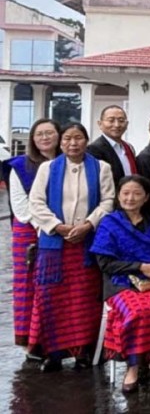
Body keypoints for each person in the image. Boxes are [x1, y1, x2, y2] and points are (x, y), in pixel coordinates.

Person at [28, 123, 115, 370]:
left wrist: (88, 224)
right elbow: (36, 202)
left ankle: (82, 352)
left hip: (87, 243)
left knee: (84, 300)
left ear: (86, 141)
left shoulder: (101, 168)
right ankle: (52, 353)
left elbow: (108, 201)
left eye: (78, 138)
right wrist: (57, 226)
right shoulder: (47, 168)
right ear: (61, 142)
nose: (73, 143)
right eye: (68, 139)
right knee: (50, 298)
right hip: (54, 246)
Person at [90, 175, 150, 393]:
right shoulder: (109, 223)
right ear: (118, 195)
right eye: (125, 193)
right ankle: (133, 366)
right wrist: (139, 267)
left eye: (137, 193)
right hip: (119, 282)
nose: (130, 198)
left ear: (146, 197)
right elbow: (105, 263)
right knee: (137, 311)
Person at [2, 118, 60, 356]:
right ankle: (30, 342)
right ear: (33, 140)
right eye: (40, 134)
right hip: (29, 230)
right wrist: (44, 224)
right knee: (28, 285)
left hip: (60, 228)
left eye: (50, 133)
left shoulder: (65, 163)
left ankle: (56, 339)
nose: (45, 138)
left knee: (54, 285)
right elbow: (20, 205)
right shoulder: (20, 166)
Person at [87, 105, 138, 188]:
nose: (117, 125)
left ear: (127, 124)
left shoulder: (128, 147)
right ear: (100, 124)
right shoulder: (94, 149)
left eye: (121, 120)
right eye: (111, 120)